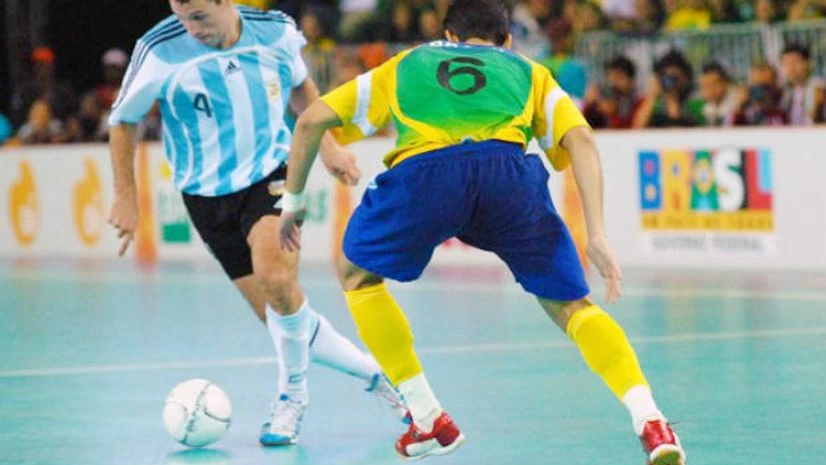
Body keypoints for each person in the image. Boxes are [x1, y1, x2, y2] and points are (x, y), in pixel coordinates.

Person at [279, 0, 687, 463]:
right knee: (572, 306)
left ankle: (427, 415)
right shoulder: (529, 71)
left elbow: (311, 119)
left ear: (448, 37)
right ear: (506, 40)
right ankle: (651, 420)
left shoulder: (409, 62)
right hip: (507, 177)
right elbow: (582, 141)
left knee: (356, 273)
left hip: (428, 175)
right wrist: (596, 234)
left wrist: (292, 204)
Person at [106, 0, 406, 447]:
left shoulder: (276, 32)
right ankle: (377, 377)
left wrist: (330, 150)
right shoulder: (158, 49)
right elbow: (123, 121)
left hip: (270, 175)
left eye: (199, 16)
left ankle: (291, 399)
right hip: (204, 197)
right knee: (282, 319)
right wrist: (127, 197)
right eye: (181, 15)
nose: (190, 27)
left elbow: (302, 91)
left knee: (277, 280)